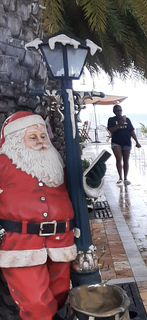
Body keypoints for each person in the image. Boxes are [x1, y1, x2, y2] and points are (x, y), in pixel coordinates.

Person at [0, 112, 78, 319]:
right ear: (16, 140)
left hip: (61, 241)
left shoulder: (55, 161)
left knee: (59, 294)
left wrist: (91, 181)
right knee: (36, 303)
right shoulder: (3, 163)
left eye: (43, 136)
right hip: (21, 243)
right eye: (32, 137)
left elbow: (76, 189)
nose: (41, 142)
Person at [107, 104, 141, 185]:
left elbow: (131, 131)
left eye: (120, 110)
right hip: (116, 142)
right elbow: (111, 130)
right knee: (119, 158)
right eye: (117, 111)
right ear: (114, 112)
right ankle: (120, 178)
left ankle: (125, 178)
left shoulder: (127, 120)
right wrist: (119, 124)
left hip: (126, 142)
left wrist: (137, 141)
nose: (119, 112)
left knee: (126, 160)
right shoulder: (111, 120)